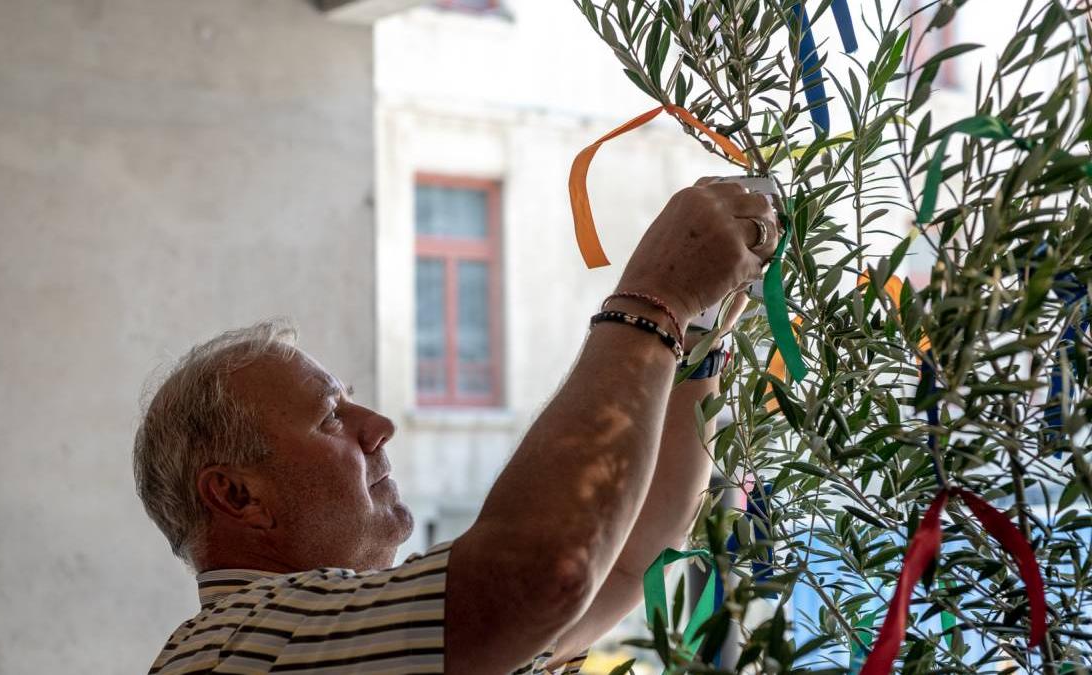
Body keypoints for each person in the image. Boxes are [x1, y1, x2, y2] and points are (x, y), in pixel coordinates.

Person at [133, 177, 779, 674]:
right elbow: (549, 571)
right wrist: (653, 298)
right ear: (238, 494)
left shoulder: (362, 633)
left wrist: (698, 335)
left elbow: (630, 559)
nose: (379, 426)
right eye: (330, 416)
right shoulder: (245, 646)